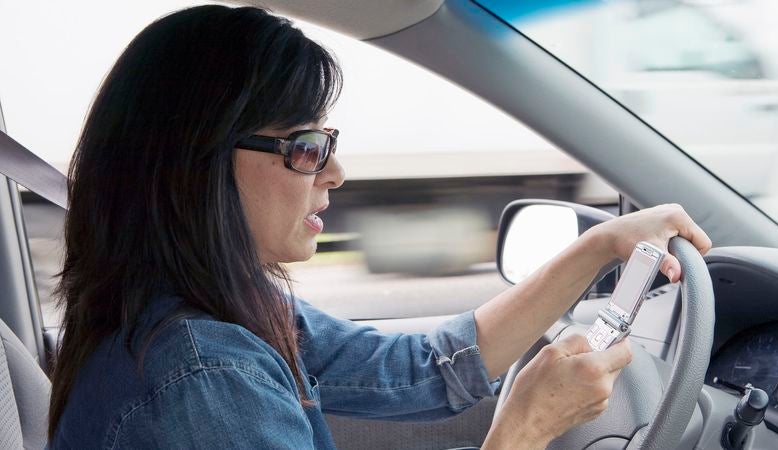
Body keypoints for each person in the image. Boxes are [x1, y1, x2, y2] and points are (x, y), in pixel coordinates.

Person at [47, 5, 712, 449]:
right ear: (197, 162)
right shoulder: (201, 382)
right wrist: (525, 427)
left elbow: (419, 369)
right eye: (305, 146)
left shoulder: (215, 315)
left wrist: (597, 247)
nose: (335, 171)